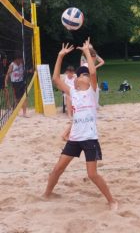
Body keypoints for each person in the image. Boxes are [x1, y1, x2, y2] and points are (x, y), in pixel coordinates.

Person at [43, 39, 118, 210]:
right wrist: (60, 56)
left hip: (90, 138)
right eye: (80, 75)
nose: (81, 77)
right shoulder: (73, 93)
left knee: (92, 174)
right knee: (57, 169)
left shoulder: (92, 92)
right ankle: (47, 193)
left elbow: (92, 72)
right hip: (75, 138)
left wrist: (86, 52)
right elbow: (55, 78)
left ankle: (112, 201)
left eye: (84, 75)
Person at [5, 52, 28, 117]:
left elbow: (24, 71)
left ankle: (24, 113)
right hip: (15, 83)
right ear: (16, 59)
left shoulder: (22, 64)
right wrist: (6, 82)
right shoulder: (12, 65)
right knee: (17, 98)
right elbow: (7, 74)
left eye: (21, 59)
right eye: (20, 59)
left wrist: (29, 71)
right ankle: (15, 111)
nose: (21, 60)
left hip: (21, 82)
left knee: (24, 97)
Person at [61, 65, 77, 141]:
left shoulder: (75, 78)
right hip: (67, 92)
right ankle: (69, 114)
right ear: (67, 72)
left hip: (74, 92)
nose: (70, 74)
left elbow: (77, 86)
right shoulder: (65, 78)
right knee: (67, 96)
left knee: (72, 96)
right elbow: (62, 87)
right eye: (69, 72)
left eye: (71, 72)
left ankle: (74, 112)